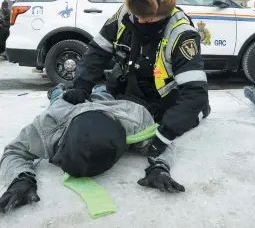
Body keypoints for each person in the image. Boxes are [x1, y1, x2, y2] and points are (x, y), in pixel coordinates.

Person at [65, 0, 210, 162]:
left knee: (190, 112)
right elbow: (97, 51)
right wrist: (82, 85)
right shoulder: (125, 15)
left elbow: (195, 93)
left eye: (148, 16)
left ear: (163, 10)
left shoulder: (181, 34)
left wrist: (165, 133)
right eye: (137, 15)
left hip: (163, 103)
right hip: (128, 92)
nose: (140, 20)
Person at [0, 84, 183, 213]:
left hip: (110, 106)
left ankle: (99, 89)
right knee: (60, 98)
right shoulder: (48, 125)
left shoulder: (134, 119)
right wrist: (20, 178)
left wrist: (160, 167)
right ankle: (56, 91)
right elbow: (15, 151)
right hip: (66, 107)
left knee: (102, 94)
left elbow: (163, 141)